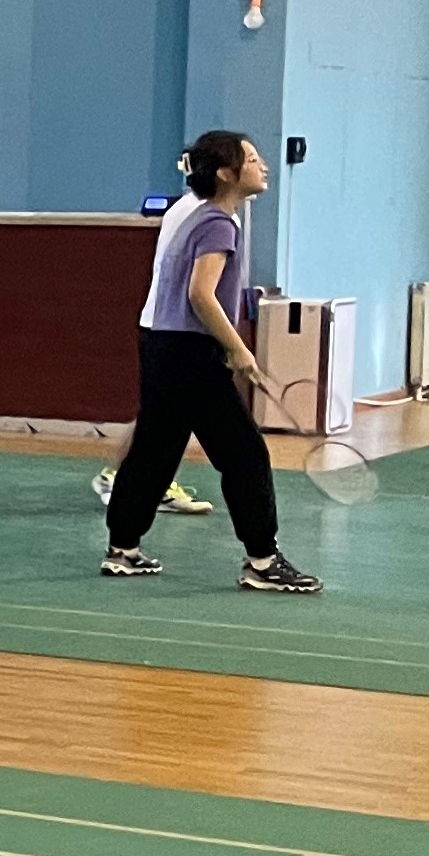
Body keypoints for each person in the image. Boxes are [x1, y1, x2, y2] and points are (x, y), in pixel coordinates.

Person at [100, 130, 321, 595]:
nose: (263, 166)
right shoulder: (219, 223)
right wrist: (237, 348)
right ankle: (262, 561)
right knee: (244, 454)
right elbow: (200, 294)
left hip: (160, 342)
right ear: (225, 173)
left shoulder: (191, 215)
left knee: (155, 448)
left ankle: (122, 549)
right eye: (252, 160)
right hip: (190, 351)